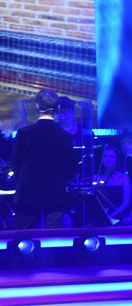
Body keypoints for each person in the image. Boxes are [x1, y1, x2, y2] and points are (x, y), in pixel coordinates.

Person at [10, 89, 79, 229]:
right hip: (55, 192)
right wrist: (58, 179)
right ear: (58, 107)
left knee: (20, 235)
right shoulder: (65, 137)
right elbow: (71, 168)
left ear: (37, 106)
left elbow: (15, 163)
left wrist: (24, 178)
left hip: (28, 191)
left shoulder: (24, 133)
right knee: (52, 237)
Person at [93, 146, 132, 224]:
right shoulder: (96, 178)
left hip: (117, 217)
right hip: (98, 217)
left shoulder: (123, 178)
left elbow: (126, 203)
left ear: (117, 159)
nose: (108, 159)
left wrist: (110, 216)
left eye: (112, 156)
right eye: (105, 156)